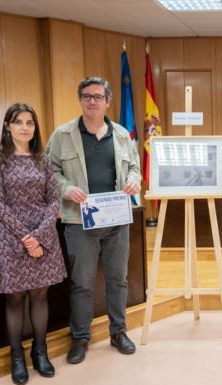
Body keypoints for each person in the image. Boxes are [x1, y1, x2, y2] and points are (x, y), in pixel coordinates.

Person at [47, 76, 141, 364]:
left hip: (116, 222)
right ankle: (80, 337)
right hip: (80, 223)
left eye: (98, 97)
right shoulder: (63, 135)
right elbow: (50, 171)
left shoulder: (123, 135)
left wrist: (135, 180)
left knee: (118, 280)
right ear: (80, 100)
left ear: (107, 101)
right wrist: (65, 188)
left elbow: (135, 168)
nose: (92, 101)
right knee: (82, 283)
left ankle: (118, 332)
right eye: (87, 96)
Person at [0, 103, 66, 385]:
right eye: (18, 122)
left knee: (40, 295)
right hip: (11, 238)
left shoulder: (43, 160)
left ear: (35, 127)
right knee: (15, 297)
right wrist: (26, 237)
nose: (24, 127)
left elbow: (53, 200)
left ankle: (40, 352)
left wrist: (40, 235)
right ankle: (16, 356)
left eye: (29, 122)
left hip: (43, 236)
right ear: (8, 126)